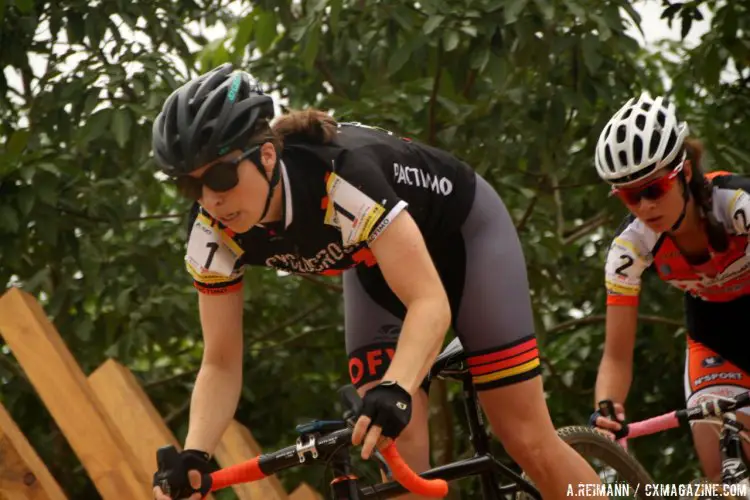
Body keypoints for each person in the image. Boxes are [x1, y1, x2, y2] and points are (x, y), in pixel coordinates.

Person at [150, 63, 605, 500]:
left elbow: (429, 301)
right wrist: (195, 454)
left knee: (525, 438)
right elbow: (221, 361)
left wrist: (398, 387)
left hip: (466, 237)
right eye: (192, 188)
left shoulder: (341, 177)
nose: (212, 199)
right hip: (378, 264)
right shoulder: (211, 231)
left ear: (267, 156)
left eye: (222, 176)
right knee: (395, 455)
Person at [591, 92, 750, 483]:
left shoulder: (737, 204)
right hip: (715, 342)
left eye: (654, 189)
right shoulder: (629, 250)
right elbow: (616, 356)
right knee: (723, 476)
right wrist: (606, 410)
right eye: (630, 196)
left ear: (684, 173)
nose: (645, 207)